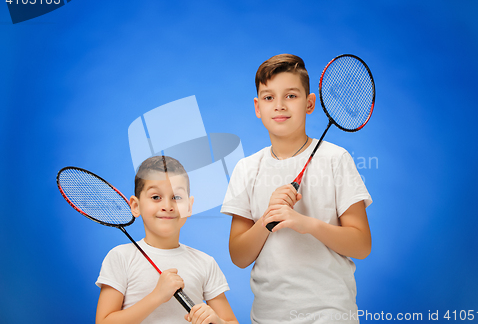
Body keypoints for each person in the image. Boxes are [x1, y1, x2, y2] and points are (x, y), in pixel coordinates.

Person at [221, 54, 372, 323]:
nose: (279, 106)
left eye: (290, 96)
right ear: (257, 107)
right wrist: (267, 218)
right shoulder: (246, 168)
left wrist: (307, 224)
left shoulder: (336, 159)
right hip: (268, 315)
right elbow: (239, 256)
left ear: (310, 103)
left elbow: (361, 245)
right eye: (269, 98)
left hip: (331, 313)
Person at [96, 155, 238, 324]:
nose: (167, 206)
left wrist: (216, 320)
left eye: (176, 197)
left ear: (189, 206)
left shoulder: (205, 263)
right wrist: (157, 296)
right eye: (156, 197)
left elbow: (231, 321)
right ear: (135, 205)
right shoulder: (120, 257)